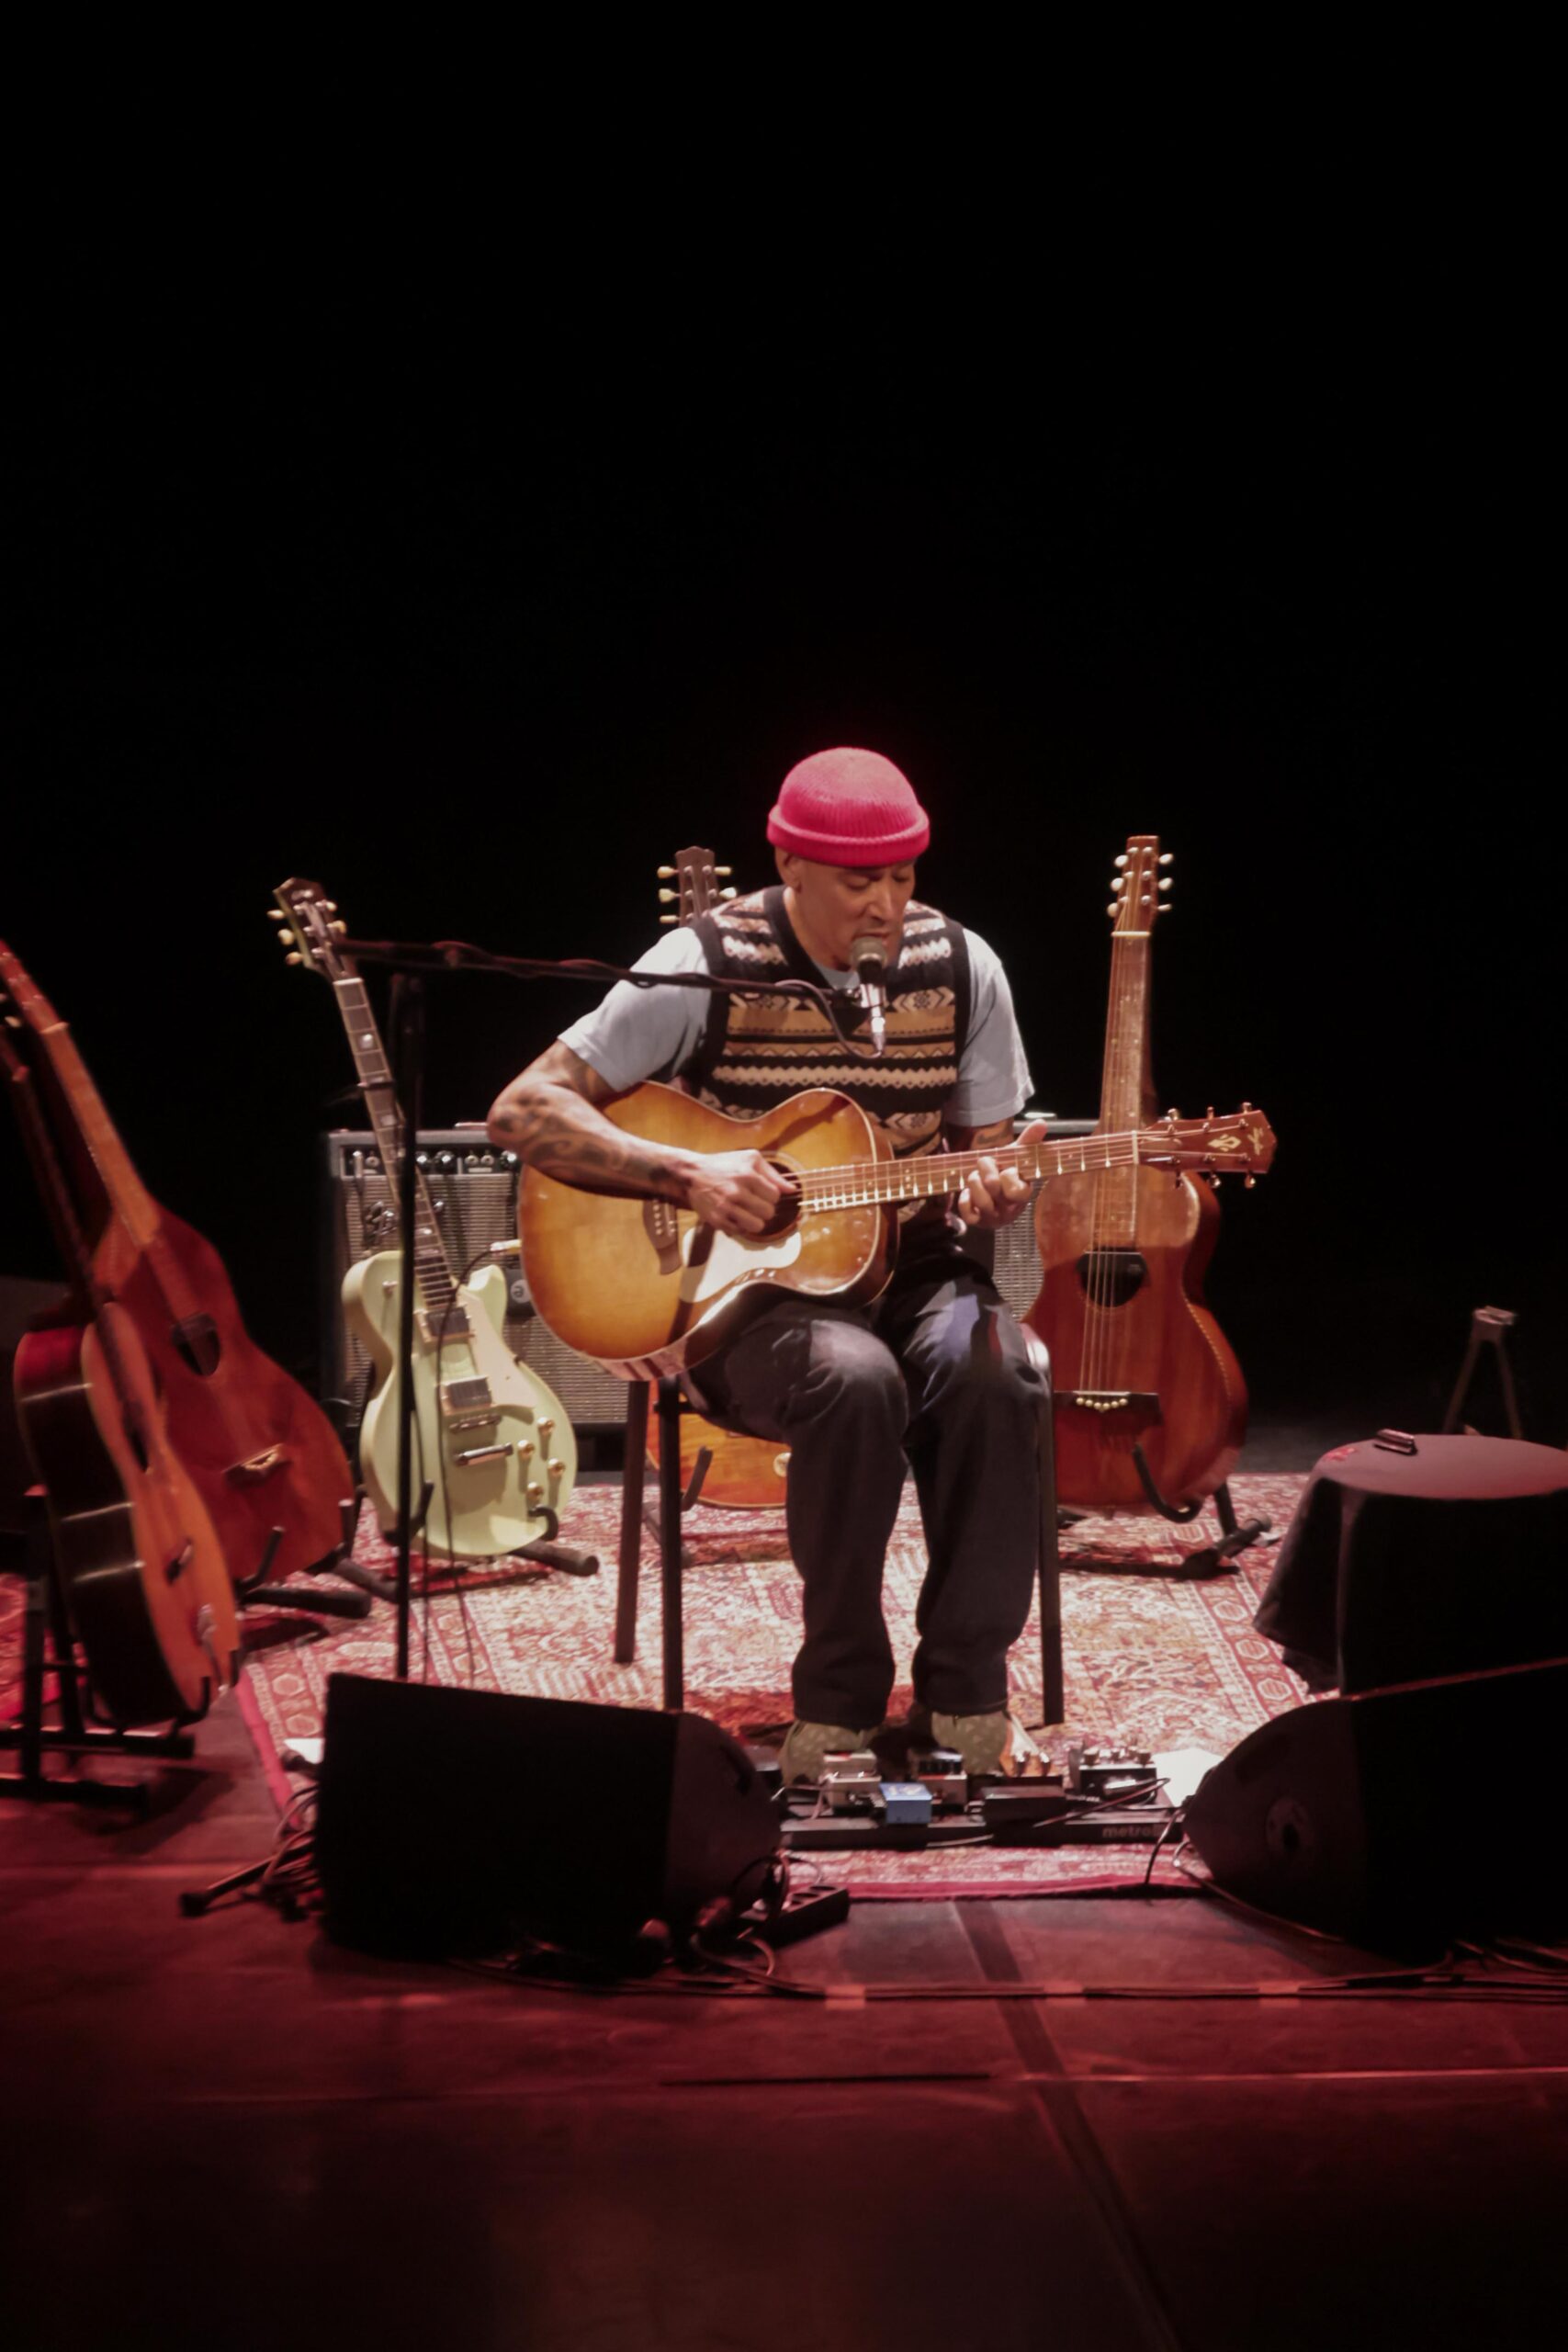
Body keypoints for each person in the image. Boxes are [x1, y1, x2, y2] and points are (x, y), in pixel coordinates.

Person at [488, 747, 1046, 1781]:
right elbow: (524, 1111)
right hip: (746, 1304)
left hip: (916, 1267)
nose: (886, 905)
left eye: (902, 878)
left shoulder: (966, 966)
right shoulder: (701, 961)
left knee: (1001, 1372)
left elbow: (987, 1152)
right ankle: (838, 1701)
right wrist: (688, 1173)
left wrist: (997, 1189)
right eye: (858, 881)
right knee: (853, 1377)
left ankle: (966, 1695)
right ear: (788, 864)